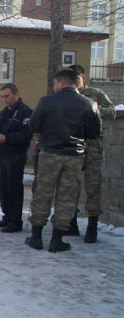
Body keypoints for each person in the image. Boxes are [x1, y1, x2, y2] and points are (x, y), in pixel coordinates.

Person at [26, 69, 101, 253]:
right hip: (75, 156)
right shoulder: (90, 104)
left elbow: (34, 126)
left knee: (43, 192)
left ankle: (36, 237)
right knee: (67, 197)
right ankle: (57, 239)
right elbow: (94, 134)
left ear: (60, 82)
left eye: (54, 83)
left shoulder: (47, 101)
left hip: (49, 153)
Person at [67, 64, 116, 243]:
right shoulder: (67, 96)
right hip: (72, 145)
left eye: (76, 79)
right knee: (71, 186)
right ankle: (71, 223)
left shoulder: (95, 94)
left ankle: (92, 226)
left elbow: (111, 112)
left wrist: (92, 110)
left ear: (83, 78)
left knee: (93, 186)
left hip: (92, 146)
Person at [0, 83, 33, 233]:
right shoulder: (6, 111)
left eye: (7, 96)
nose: (5, 99)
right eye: (2, 97)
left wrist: (7, 138)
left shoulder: (25, 112)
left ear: (16, 94)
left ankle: (15, 220)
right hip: (3, 155)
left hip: (16, 155)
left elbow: (26, 135)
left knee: (14, 188)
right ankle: (7, 216)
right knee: (4, 187)